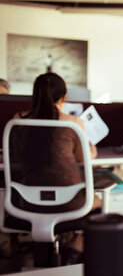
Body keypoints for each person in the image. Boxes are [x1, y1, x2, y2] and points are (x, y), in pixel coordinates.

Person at [13, 72, 99, 263]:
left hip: (28, 199)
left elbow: (17, 155)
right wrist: (91, 147)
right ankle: (74, 250)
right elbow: (83, 159)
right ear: (64, 97)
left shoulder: (18, 120)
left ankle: (62, 249)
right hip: (69, 202)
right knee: (98, 203)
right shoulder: (73, 123)